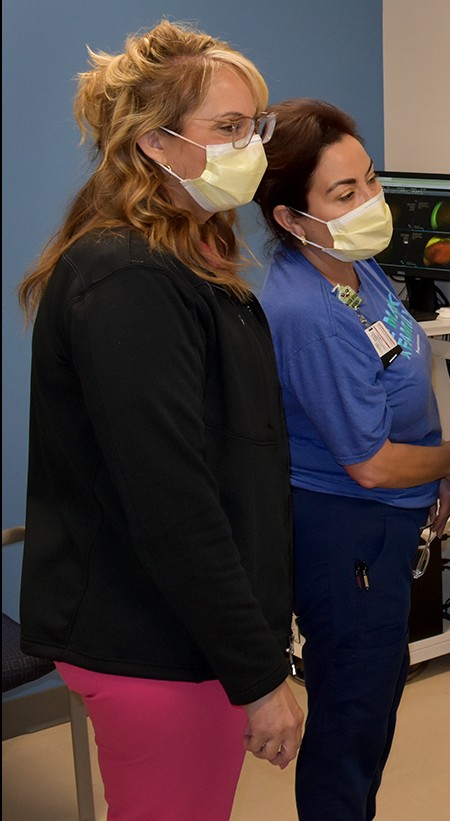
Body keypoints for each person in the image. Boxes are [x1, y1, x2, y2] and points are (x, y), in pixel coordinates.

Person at [15, 20, 303, 820]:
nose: (253, 144)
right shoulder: (130, 278)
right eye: (230, 128)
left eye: (257, 125)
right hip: (156, 639)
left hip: (186, 628)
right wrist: (257, 673)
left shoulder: (185, 256)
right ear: (156, 144)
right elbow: (170, 498)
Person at [253, 98, 450, 820]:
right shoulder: (307, 310)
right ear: (289, 216)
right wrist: (449, 459)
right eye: (344, 194)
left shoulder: (353, 266)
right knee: (352, 714)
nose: (371, 201)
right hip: (348, 526)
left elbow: (398, 361)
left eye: (370, 181)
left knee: (371, 697)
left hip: (382, 520)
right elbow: (370, 463)